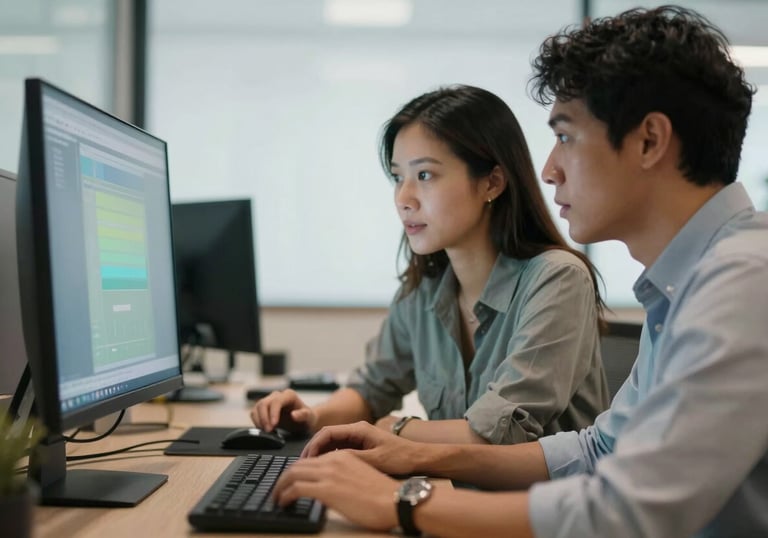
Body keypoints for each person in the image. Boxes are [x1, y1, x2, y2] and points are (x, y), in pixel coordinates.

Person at [270, 6, 768, 537]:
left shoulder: (744, 283)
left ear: (649, 141)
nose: (549, 170)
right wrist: (410, 452)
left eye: (566, 137)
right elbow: (599, 449)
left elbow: (626, 510)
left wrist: (402, 501)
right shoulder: (684, 285)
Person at [251, 85, 609, 445]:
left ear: (492, 182)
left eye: (424, 175)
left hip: (547, 486)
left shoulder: (557, 279)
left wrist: (395, 429)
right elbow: (372, 389)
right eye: (398, 177)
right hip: (448, 481)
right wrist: (312, 418)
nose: (403, 198)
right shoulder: (424, 290)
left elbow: (502, 433)